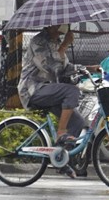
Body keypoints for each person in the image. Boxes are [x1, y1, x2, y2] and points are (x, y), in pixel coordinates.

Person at [18, 24, 85, 179]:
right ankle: (61, 133)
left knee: (77, 122)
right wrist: (64, 46)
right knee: (71, 91)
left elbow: (65, 67)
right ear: (50, 25)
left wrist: (87, 69)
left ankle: (60, 159)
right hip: (33, 89)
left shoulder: (56, 42)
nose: (63, 27)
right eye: (60, 24)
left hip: (50, 90)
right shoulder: (38, 41)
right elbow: (49, 67)